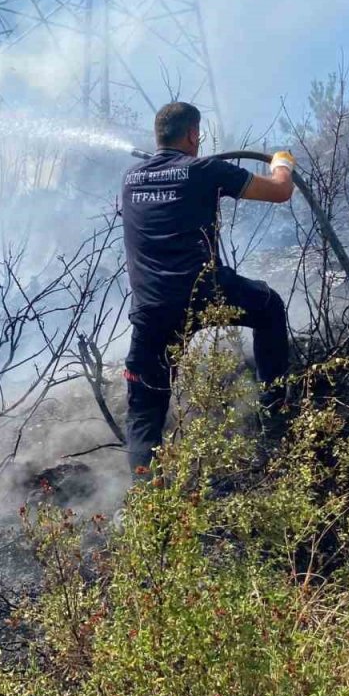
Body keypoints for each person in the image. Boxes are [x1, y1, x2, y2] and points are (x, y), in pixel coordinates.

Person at [120, 101, 295, 480]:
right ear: (193, 135)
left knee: (144, 408)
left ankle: (146, 502)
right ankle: (276, 409)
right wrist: (282, 162)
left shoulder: (131, 178)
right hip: (205, 293)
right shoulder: (203, 170)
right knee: (268, 307)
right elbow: (281, 192)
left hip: (152, 310)